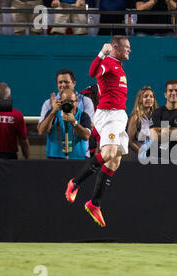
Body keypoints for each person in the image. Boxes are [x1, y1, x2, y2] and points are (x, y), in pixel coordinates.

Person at [65, 36, 131, 228]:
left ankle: (94, 203)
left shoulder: (118, 64)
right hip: (108, 115)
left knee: (115, 160)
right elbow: (93, 71)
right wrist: (102, 53)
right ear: (115, 48)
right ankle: (75, 183)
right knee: (108, 152)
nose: (129, 50)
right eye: (127, 47)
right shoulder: (108, 62)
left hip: (119, 115)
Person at [37, 69, 94, 157]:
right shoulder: (49, 103)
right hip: (55, 155)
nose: (63, 85)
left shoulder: (85, 101)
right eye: (60, 82)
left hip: (80, 155)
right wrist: (53, 111)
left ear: (74, 83)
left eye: (66, 82)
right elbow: (41, 130)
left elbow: (89, 129)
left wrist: (73, 120)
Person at [0, 83, 30, 160]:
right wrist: (27, 159)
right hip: (10, 158)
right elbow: (23, 141)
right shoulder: (17, 115)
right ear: (9, 97)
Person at [149, 80, 177, 162]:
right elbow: (154, 136)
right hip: (160, 158)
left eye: (176, 90)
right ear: (165, 94)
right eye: (170, 90)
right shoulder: (157, 113)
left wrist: (163, 131)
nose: (173, 93)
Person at [127, 86, 158, 161]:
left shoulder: (157, 116)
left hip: (155, 155)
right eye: (145, 96)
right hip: (139, 156)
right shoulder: (135, 118)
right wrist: (142, 153)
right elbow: (129, 141)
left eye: (151, 96)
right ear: (140, 99)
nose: (149, 99)